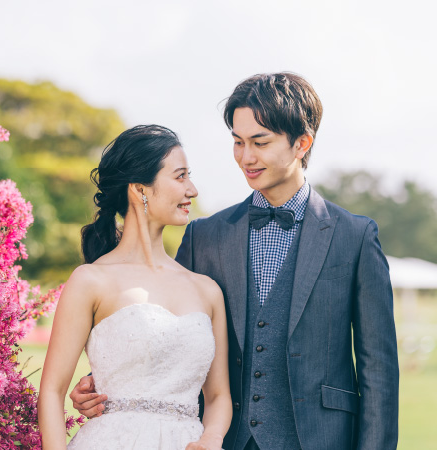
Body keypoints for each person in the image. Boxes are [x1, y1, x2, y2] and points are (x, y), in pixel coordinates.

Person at [70, 73, 400, 449]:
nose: (245, 157)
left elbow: (380, 371)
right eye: (238, 142)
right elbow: (160, 331)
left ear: (301, 144)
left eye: (260, 142)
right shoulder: (204, 236)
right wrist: (104, 385)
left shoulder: (355, 237)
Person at [38, 125, 233, 449]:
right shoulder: (90, 280)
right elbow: (52, 392)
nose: (193, 189)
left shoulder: (207, 290)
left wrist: (211, 438)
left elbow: (218, 396)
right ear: (140, 189)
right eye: (180, 176)